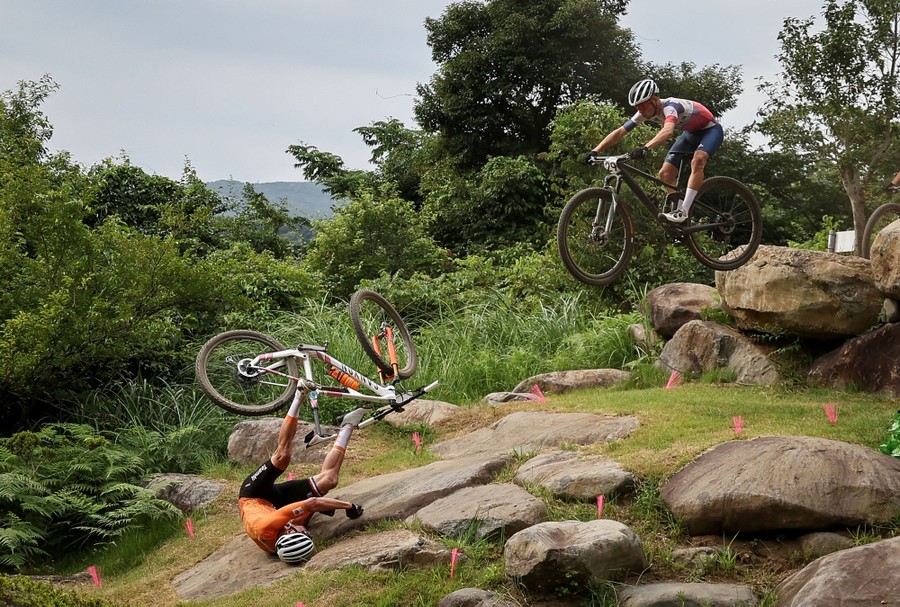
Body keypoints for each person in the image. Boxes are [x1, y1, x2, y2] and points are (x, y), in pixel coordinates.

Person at [238, 396, 367, 564]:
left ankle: (299, 395)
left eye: (304, 533)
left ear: (289, 532)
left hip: (254, 495)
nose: (307, 532)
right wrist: (311, 512)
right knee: (329, 479)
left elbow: (312, 503)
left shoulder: (269, 526)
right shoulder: (285, 540)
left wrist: (349, 507)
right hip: (274, 504)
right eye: (307, 535)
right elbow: (307, 513)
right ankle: (348, 424)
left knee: (283, 456)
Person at [584, 78, 724, 224]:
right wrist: (595, 150)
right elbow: (620, 132)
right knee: (665, 173)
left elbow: (668, 131)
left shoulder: (671, 107)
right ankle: (681, 219)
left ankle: (684, 212)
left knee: (698, 160)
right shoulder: (644, 112)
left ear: (655, 100)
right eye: (638, 108)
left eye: (643, 107)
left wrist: (646, 147)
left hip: (710, 130)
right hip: (690, 133)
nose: (641, 112)